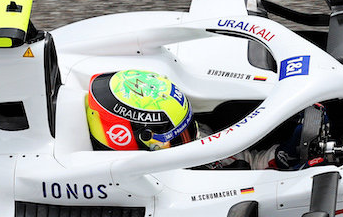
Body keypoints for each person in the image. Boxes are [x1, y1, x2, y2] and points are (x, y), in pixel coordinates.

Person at [85, 68, 321, 170]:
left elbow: (249, 161)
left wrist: (281, 157)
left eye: (190, 128)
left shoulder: (196, 138)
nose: (194, 138)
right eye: (180, 136)